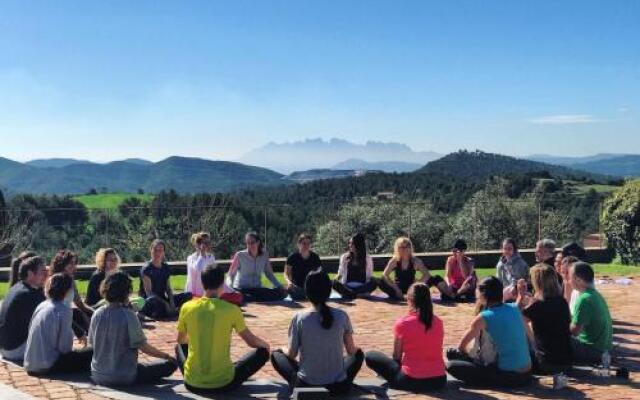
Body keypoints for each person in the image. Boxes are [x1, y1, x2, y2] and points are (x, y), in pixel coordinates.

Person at [175, 265, 270, 394]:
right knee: (263, 352)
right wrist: (266, 345)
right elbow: (250, 341)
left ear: (202, 283)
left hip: (192, 383)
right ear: (222, 283)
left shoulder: (186, 307)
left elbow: (181, 340)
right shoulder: (232, 309)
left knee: (178, 347)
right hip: (224, 383)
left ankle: (198, 372)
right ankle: (221, 369)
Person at [271, 270, 364, 395]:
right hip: (338, 386)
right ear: (329, 291)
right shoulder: (342, 316)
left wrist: (282, 349)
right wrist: (357, 350)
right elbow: (351, 351)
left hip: (306, 386)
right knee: (359, 355)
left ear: (307, 292)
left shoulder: (299, 318)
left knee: (275, 355)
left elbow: (292, 354)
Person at [89, 271, 177, 385]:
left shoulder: (97, 313)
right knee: (169, 365)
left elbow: (92, 343)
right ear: (126, 292)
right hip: (124, 375)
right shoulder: (128, 315)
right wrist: (167, 356)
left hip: (97, 373)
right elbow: (144, 347)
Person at [446, 277, 532, 387]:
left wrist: (468, 357)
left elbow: (461, 347)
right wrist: (521, 294)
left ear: (483, 294)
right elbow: (517, 304)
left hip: (508, 376)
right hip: (527, 373)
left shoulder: (484, 316)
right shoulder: (514, 308)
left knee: (452, 362)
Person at [365, 283, 447, 392]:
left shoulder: (403, 323)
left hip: (411, 380)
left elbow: (397, 356)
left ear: (410, 300)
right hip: (439, 380)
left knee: (370, 355)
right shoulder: (438, 322)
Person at [24, 273, 93, 375]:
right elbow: (65, 348)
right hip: (49, 365)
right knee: (92, 352)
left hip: (30, 363)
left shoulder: (42, 305)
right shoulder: (64, 310)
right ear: (67, 291)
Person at [518, 265, 572, 374]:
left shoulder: (537, 306)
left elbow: (515, 320)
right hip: (566, 361)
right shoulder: (562, 302)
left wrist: (520, 296)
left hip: (546, 363)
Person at [0, 256, 47, 361]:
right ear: (30, 274)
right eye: (42, 271)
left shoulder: (17, 287)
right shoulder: (28, 294)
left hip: (5, 348)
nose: (46, 275)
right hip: (15, 351)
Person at [378, 237, 453, 301]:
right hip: (398, 289)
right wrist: (396, 289)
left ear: (410, 248)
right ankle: (399, 296)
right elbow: (385, 275)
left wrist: (416, 285)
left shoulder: (416, 261)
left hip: (413, 288)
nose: (404, 249)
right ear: (397, 248)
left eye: (407, 247)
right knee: (380, 281)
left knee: (436, 278)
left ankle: (447, 295)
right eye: (402, 247)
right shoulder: (394, 261)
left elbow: (427, 275)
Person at [569, 262, 613, 364]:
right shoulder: (594, 294)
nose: (569, 280)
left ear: (578, 279)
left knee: (554, 337)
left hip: (593, 351)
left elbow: (575, 332)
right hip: (604, 349)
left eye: (570, 277)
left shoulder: (584, 299)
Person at [139, 239, 191, 319]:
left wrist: (172, 302)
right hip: (151, 301)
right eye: (155, 250)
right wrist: (166, 304)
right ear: (151, 250)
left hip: (162, 298)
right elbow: (149, 293)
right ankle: (170, 312)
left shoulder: (165, 267)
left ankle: (171, 311)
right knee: (153, 301)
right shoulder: (146, 268)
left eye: (160, 250)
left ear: (163, 252)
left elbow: (168, 288)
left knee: (188, 295)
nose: (157, 253)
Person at [185, 232, 242, 305]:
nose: (208, 245)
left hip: (209, 293)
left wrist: (232, 291)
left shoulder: (211, 257)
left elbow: (216, 276)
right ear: (198, 244)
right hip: (195, 295)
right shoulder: (191, 258)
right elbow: (198, 268)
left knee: (238, 296)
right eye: (205, 243)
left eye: (209, 242)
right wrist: (201, 254)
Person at [228, 232, 285, 302]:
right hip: (242, 289)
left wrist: (279, 286)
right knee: (243, 297)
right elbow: (231, 274)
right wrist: (230, 288)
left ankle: (252, 298)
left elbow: (269, 274)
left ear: (258, 242)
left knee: (280, 293)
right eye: (248, 243)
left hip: (257, 289)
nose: (250, 245)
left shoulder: (265, 255)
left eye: (252, 242)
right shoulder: (240, 255)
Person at [50, 250, 94, 339]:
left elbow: (79, 303)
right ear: (62, 263)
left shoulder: (70, 279)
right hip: (58, 318)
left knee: (81, 314)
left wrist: (95, 312)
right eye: (70, 263)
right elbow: (57, 308)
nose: (73, 266)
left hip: (68, 314)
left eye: (75, 263)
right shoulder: (55, 281)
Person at [332, 233, 378, 300]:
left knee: (375, 282)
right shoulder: (344, 257)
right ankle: (357, 295)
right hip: (347, 287)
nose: (350, 245)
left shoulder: (367, 258)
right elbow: (340, 273)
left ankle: (352, 294)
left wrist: (374, 280)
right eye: (349, 243)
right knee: (333, 283)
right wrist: (335, 280)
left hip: (362, 287)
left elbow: (369, 276)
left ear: (358, 244)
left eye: (352, 243)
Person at [284, 233, 322, 301]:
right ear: (299, 244)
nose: (306, 245)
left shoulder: (315, 257)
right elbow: (286, 274)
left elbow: (320, 273)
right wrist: (289, 282)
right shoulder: (292, 257)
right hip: (297, 288)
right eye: (304, 243)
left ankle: (309, 295)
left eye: (308, 243)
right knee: (293, 291)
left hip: (311, 287)